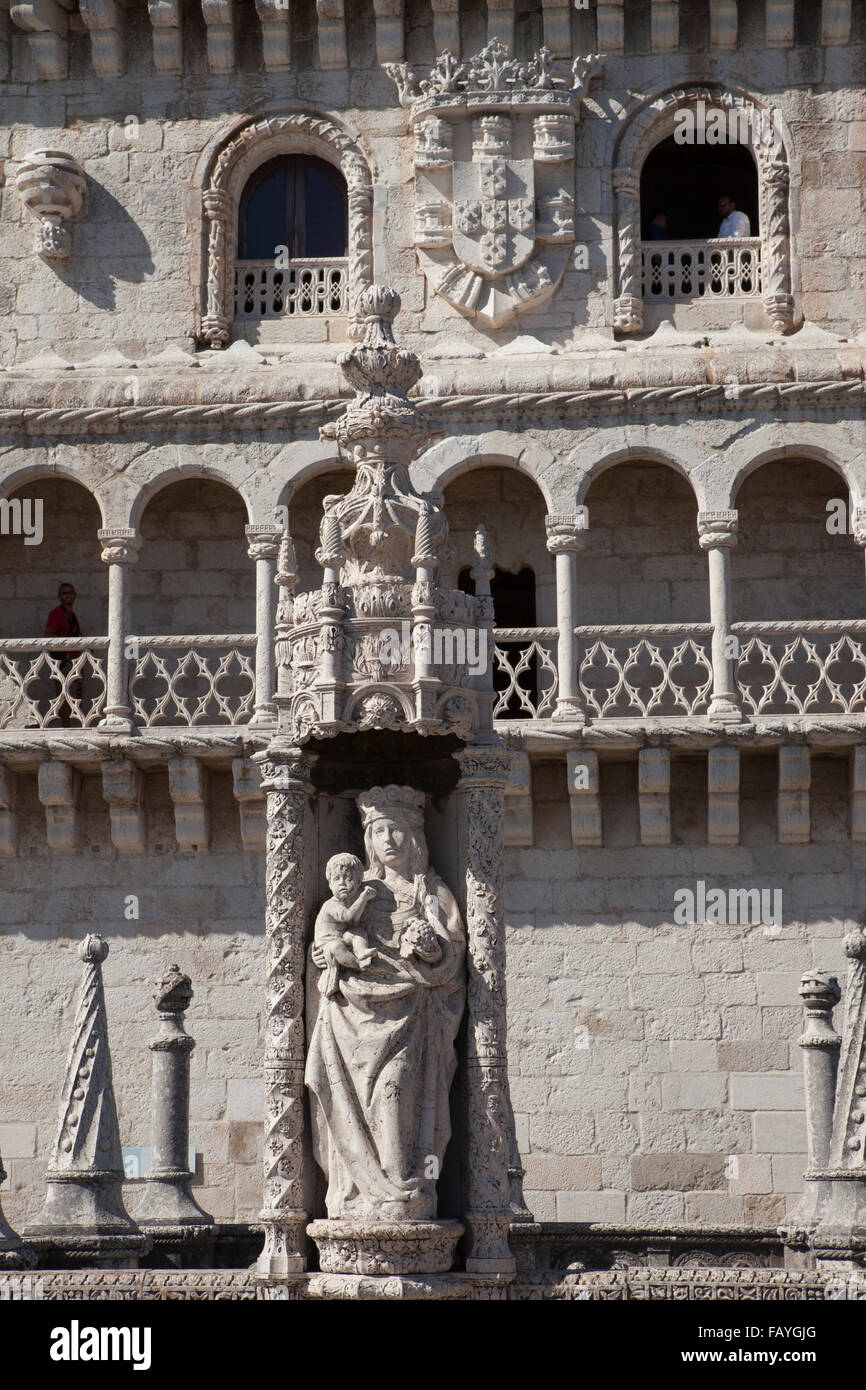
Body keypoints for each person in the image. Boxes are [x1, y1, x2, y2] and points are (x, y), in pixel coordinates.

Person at [305, 785, 466, 1222]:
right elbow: (328, 932)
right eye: (379, 832)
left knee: (393, 1091)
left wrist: (429, 947)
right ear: (368, 841)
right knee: (356, 1096)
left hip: (412, 1012)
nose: (389, 840)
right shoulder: (356, 889)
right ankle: (358, 1191)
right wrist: (321, 956)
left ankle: (403, 1187)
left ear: (415, 836)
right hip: (353, 1013)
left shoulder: (429, 891)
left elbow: (454, 956)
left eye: (397, 830)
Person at [314, 852, 377, 998]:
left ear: (358, 882)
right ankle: (358, 964)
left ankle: (361, 951)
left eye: (349, 878)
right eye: (337, 878)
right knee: (337, 947)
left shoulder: (348, 903)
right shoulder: (331, 905)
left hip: (342, 936)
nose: (342, 883)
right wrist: (363, 898)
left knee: (357, 932)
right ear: (330, 884)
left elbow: (354, 922)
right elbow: (349, 917)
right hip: (327, 943)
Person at [44, 582, 82, 726]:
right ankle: (66, 727)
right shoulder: (56, 614)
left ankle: (73, 726)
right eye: (65, 593)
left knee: (76, 696)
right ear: (60, 596)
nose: (68, 595)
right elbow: (48, 636)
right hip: (64, 661)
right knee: (64, 696)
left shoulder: (73, 615)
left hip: (75, 660)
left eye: (70, 592)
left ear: (75, 595)